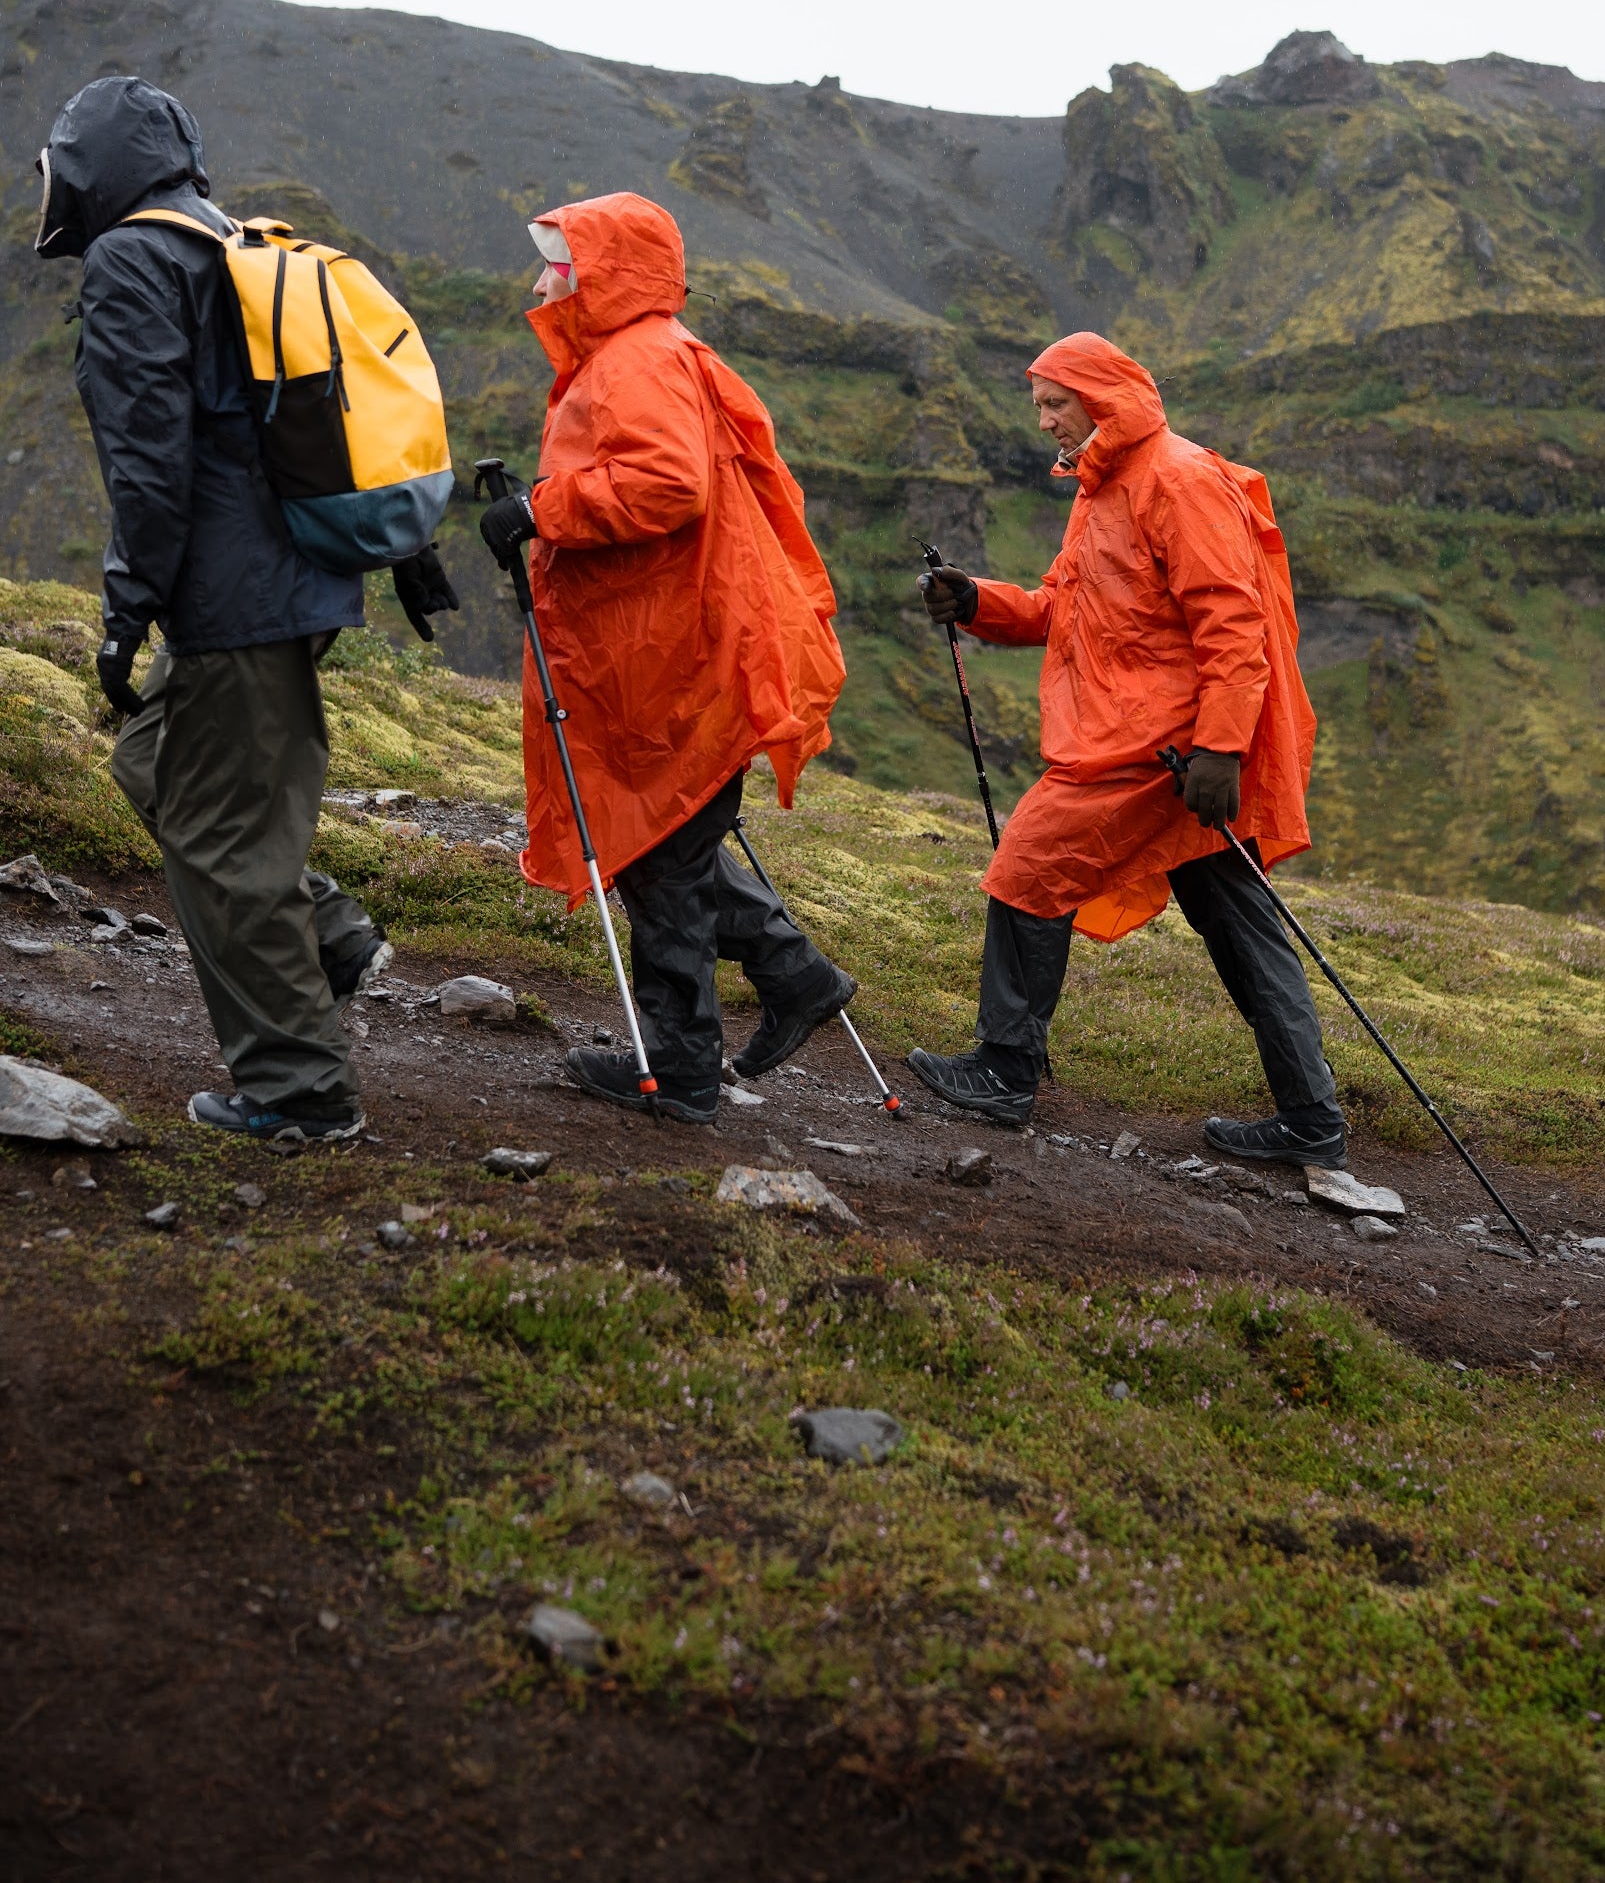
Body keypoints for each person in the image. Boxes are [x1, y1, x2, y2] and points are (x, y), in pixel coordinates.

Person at [35, 75, 459, 1143]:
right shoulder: (226, 241)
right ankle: (328, 934)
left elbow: (150, 459)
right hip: (295, 577)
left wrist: (128, 606)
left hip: (231, 596)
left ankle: (298, 1087)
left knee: (226, 843)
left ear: (94, 164)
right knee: (153, 767)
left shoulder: (135, 257)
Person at [910, 330, 1344, 1165]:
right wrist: (975, 601)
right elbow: (1061, 609)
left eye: (1054, 404)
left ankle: (1004, 1072)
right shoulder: (1102, 487)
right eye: (1037, 405)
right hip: (1159, 743)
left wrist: (1219, 752)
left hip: (1161, 748)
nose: (1042, 422)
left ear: (1099, 400)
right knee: (1240, 927)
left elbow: (1232, 625)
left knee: (1029, 865)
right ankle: (1311, 1121)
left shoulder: (1176, 481)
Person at [478, 191, 852, 1123]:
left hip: (672, 652)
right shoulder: (646, 353)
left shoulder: (636, 358)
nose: (541, 283)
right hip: (674, 642)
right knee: (665, 846)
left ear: (606, 274)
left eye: (558, 265)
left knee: (661, 856)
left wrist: (541, 511)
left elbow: (665, 484)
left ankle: (682, 1068)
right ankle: (788, 977)